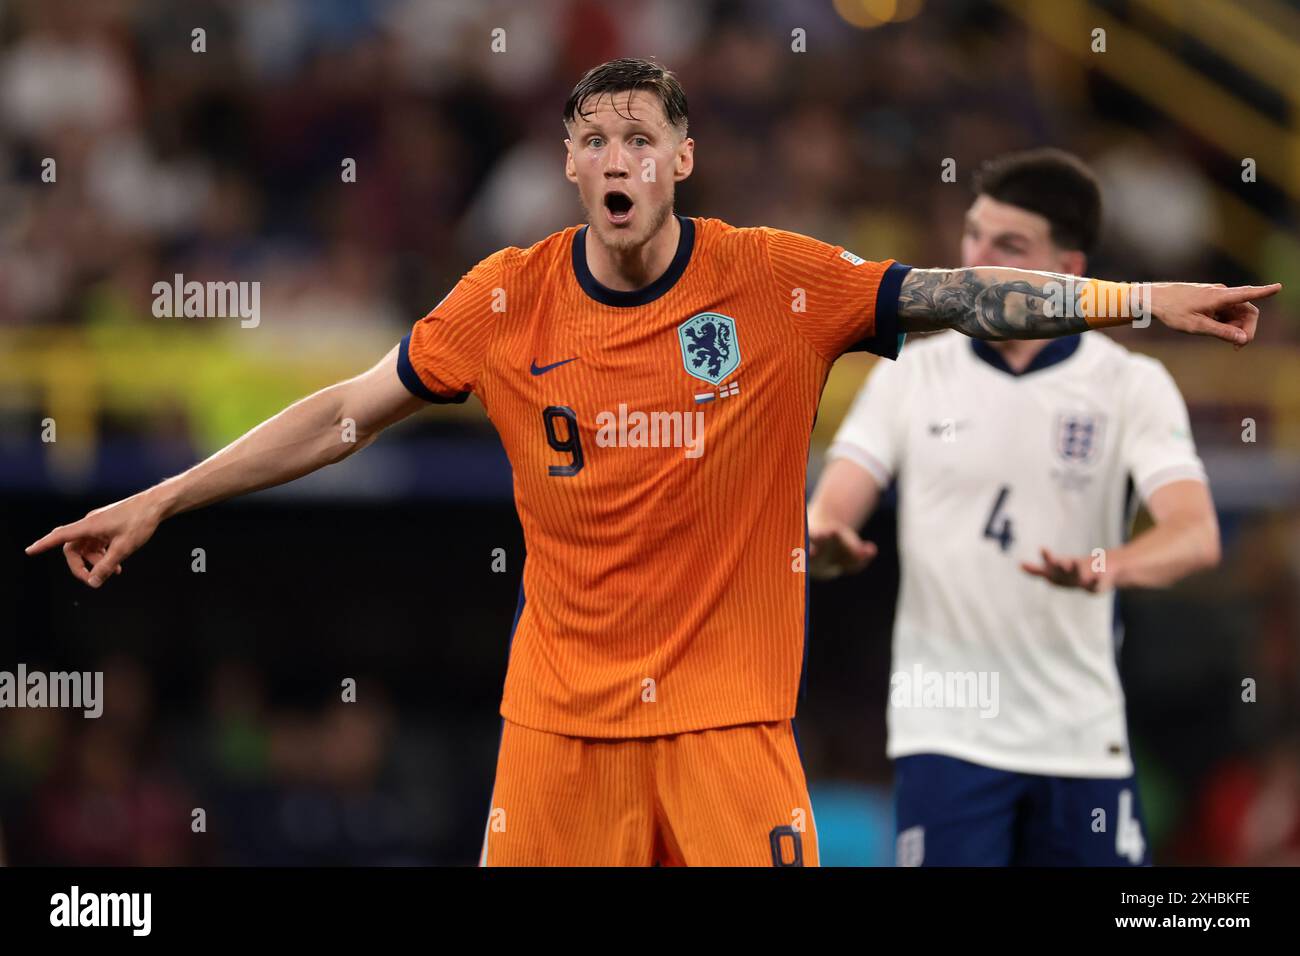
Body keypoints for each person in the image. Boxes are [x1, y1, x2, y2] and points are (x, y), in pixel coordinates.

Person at [27, 62, 1277, 866]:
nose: (616, 156)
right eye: (593, 137)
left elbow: (963, 294)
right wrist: (165, 493)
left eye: (640, 135)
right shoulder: (504, 302)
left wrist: (1143, 299)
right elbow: (347, 411)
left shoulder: (780, 282)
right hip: (557, 729)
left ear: (680, 158)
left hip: (728, 726)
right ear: (570, 166)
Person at [808, 148, 1226, 865]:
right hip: (947, 734)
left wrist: (1108, 563)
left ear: (1068, 272)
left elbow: (1195, 535)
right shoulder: (912, 377)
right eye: (973, 236)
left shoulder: (1130, 385)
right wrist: (827, 538)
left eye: (1008, 246)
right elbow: (834, 501)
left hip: (1081, 734)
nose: (978, 262)